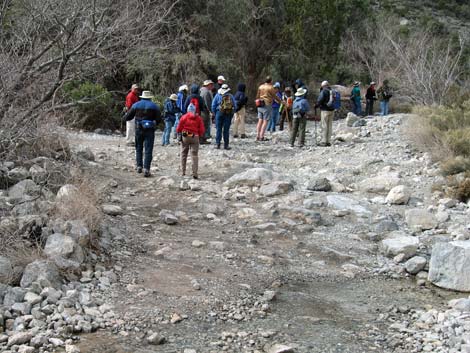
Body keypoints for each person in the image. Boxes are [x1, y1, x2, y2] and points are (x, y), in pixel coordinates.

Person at [123, 91, 161, 177]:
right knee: (148, 149)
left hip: (138, 129)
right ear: (150, 97)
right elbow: (159, 119)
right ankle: (146, 168)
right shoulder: (155, 106)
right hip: (150, 130)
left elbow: (128, 117)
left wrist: (124, 116)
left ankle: (139, 166)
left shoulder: (136, 105)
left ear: (142, 97)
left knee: (138, 147)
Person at [176, 103, 205, 179]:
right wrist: (200, 135)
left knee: (183, 153)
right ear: (195, 110)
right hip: (194, 136)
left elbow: (178, 128)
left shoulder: (184, 117)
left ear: (187, 110)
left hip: (186, 134)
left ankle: (183, 172)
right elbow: (202, 129)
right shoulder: (198, 118)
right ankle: (194, 173)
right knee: (194, 155)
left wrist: (179, 134)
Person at [255, 76, 281, 141]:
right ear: (271, 81)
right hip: (267, 104)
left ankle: (258, 135)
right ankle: (262, 136)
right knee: (265, 121)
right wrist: (280, 101)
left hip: (260, 104)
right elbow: (274, 96)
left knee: (260, 120)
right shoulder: (271, 87)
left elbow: (257, 95)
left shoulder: (260, 86)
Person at [211, 84, 237, 150]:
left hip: (219, 113)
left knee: (218, 129)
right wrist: (232, 113)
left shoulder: (217, 95)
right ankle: (226, 145)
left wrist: (214, 113)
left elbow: (213, 105)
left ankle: (218, 144)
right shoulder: (230, 96)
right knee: (226, 130)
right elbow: (235, 106)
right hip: (228, 114)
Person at [315, 81, 335, 147]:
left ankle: (324, 141)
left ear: (323, 86)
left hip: (325, 110)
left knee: (324, 125)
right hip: (332, 110)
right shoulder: (332, 91)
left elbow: (320, 100)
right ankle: (328, 141)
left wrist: (316, 105)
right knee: (330, 125)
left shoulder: (324, 91)